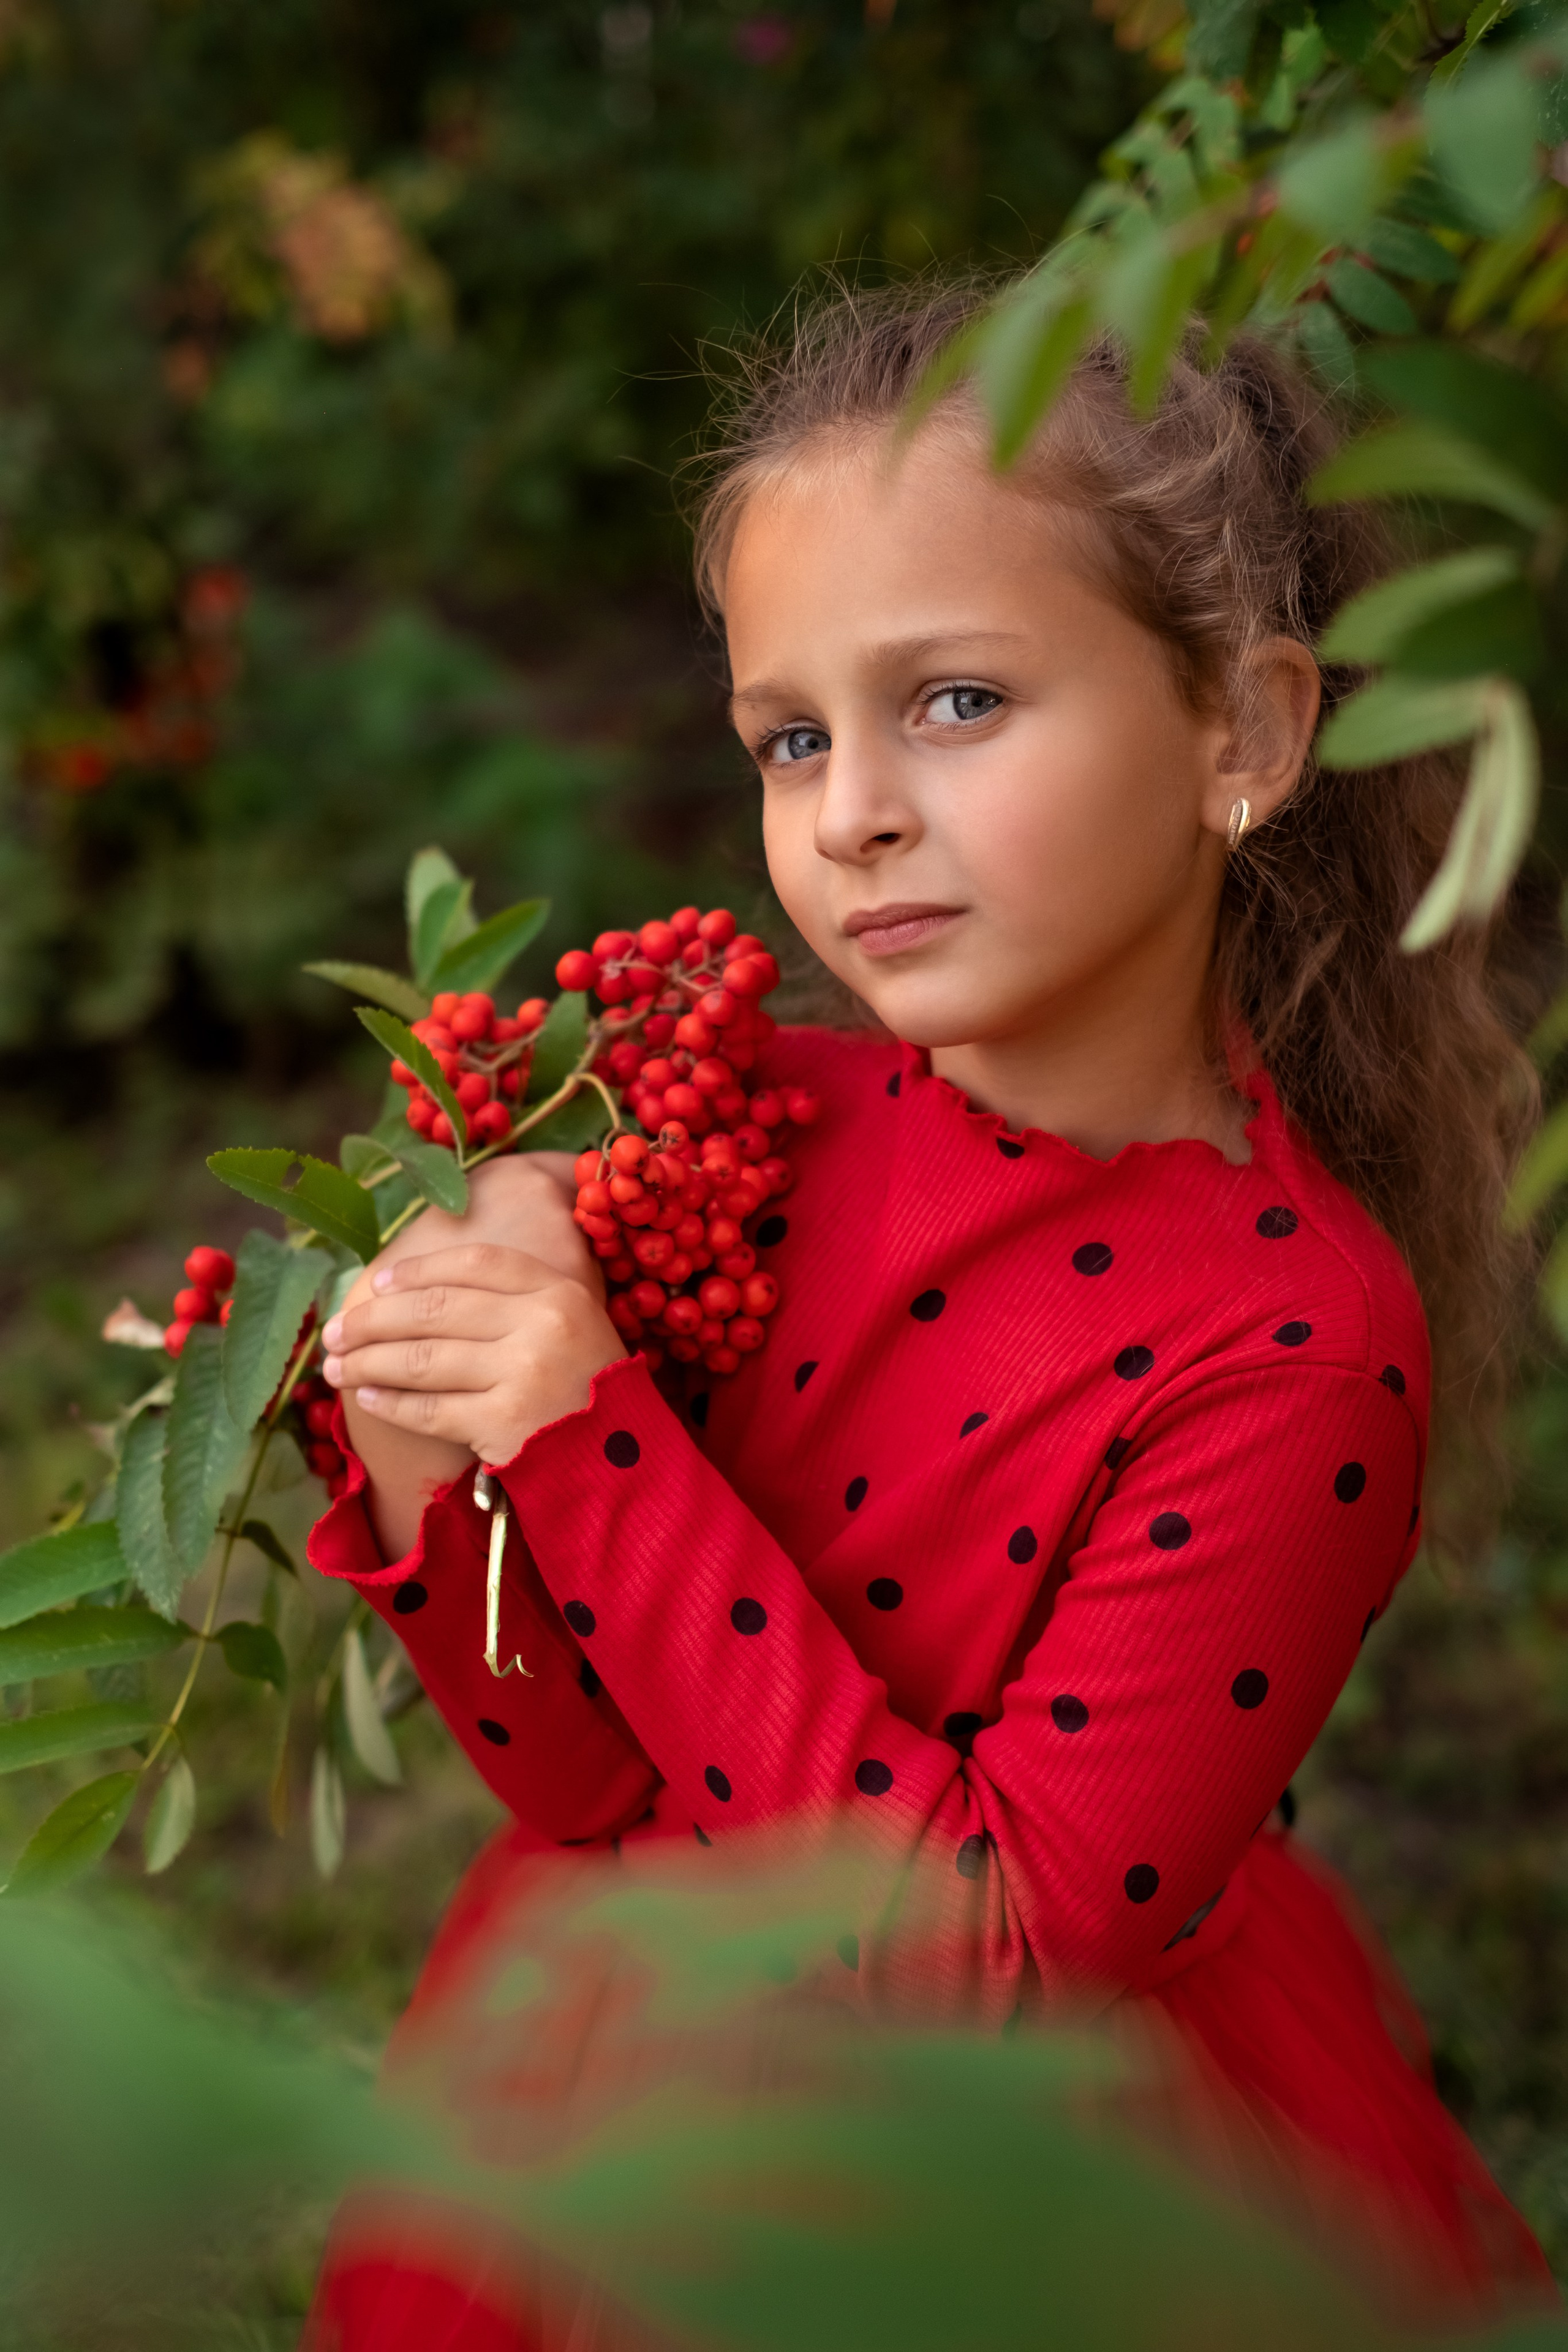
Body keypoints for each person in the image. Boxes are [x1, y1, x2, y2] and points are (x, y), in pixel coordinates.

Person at [303, 285, 1557, 2345]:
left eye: (956, 703)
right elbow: (586, 1792)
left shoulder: (1297, 1350)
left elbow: (985, 1973)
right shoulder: (726, 1137)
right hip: (616, 2092)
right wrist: (440, 1448)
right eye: (793, 736)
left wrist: (590, 1444)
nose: (851, 810)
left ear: (1244, 731)